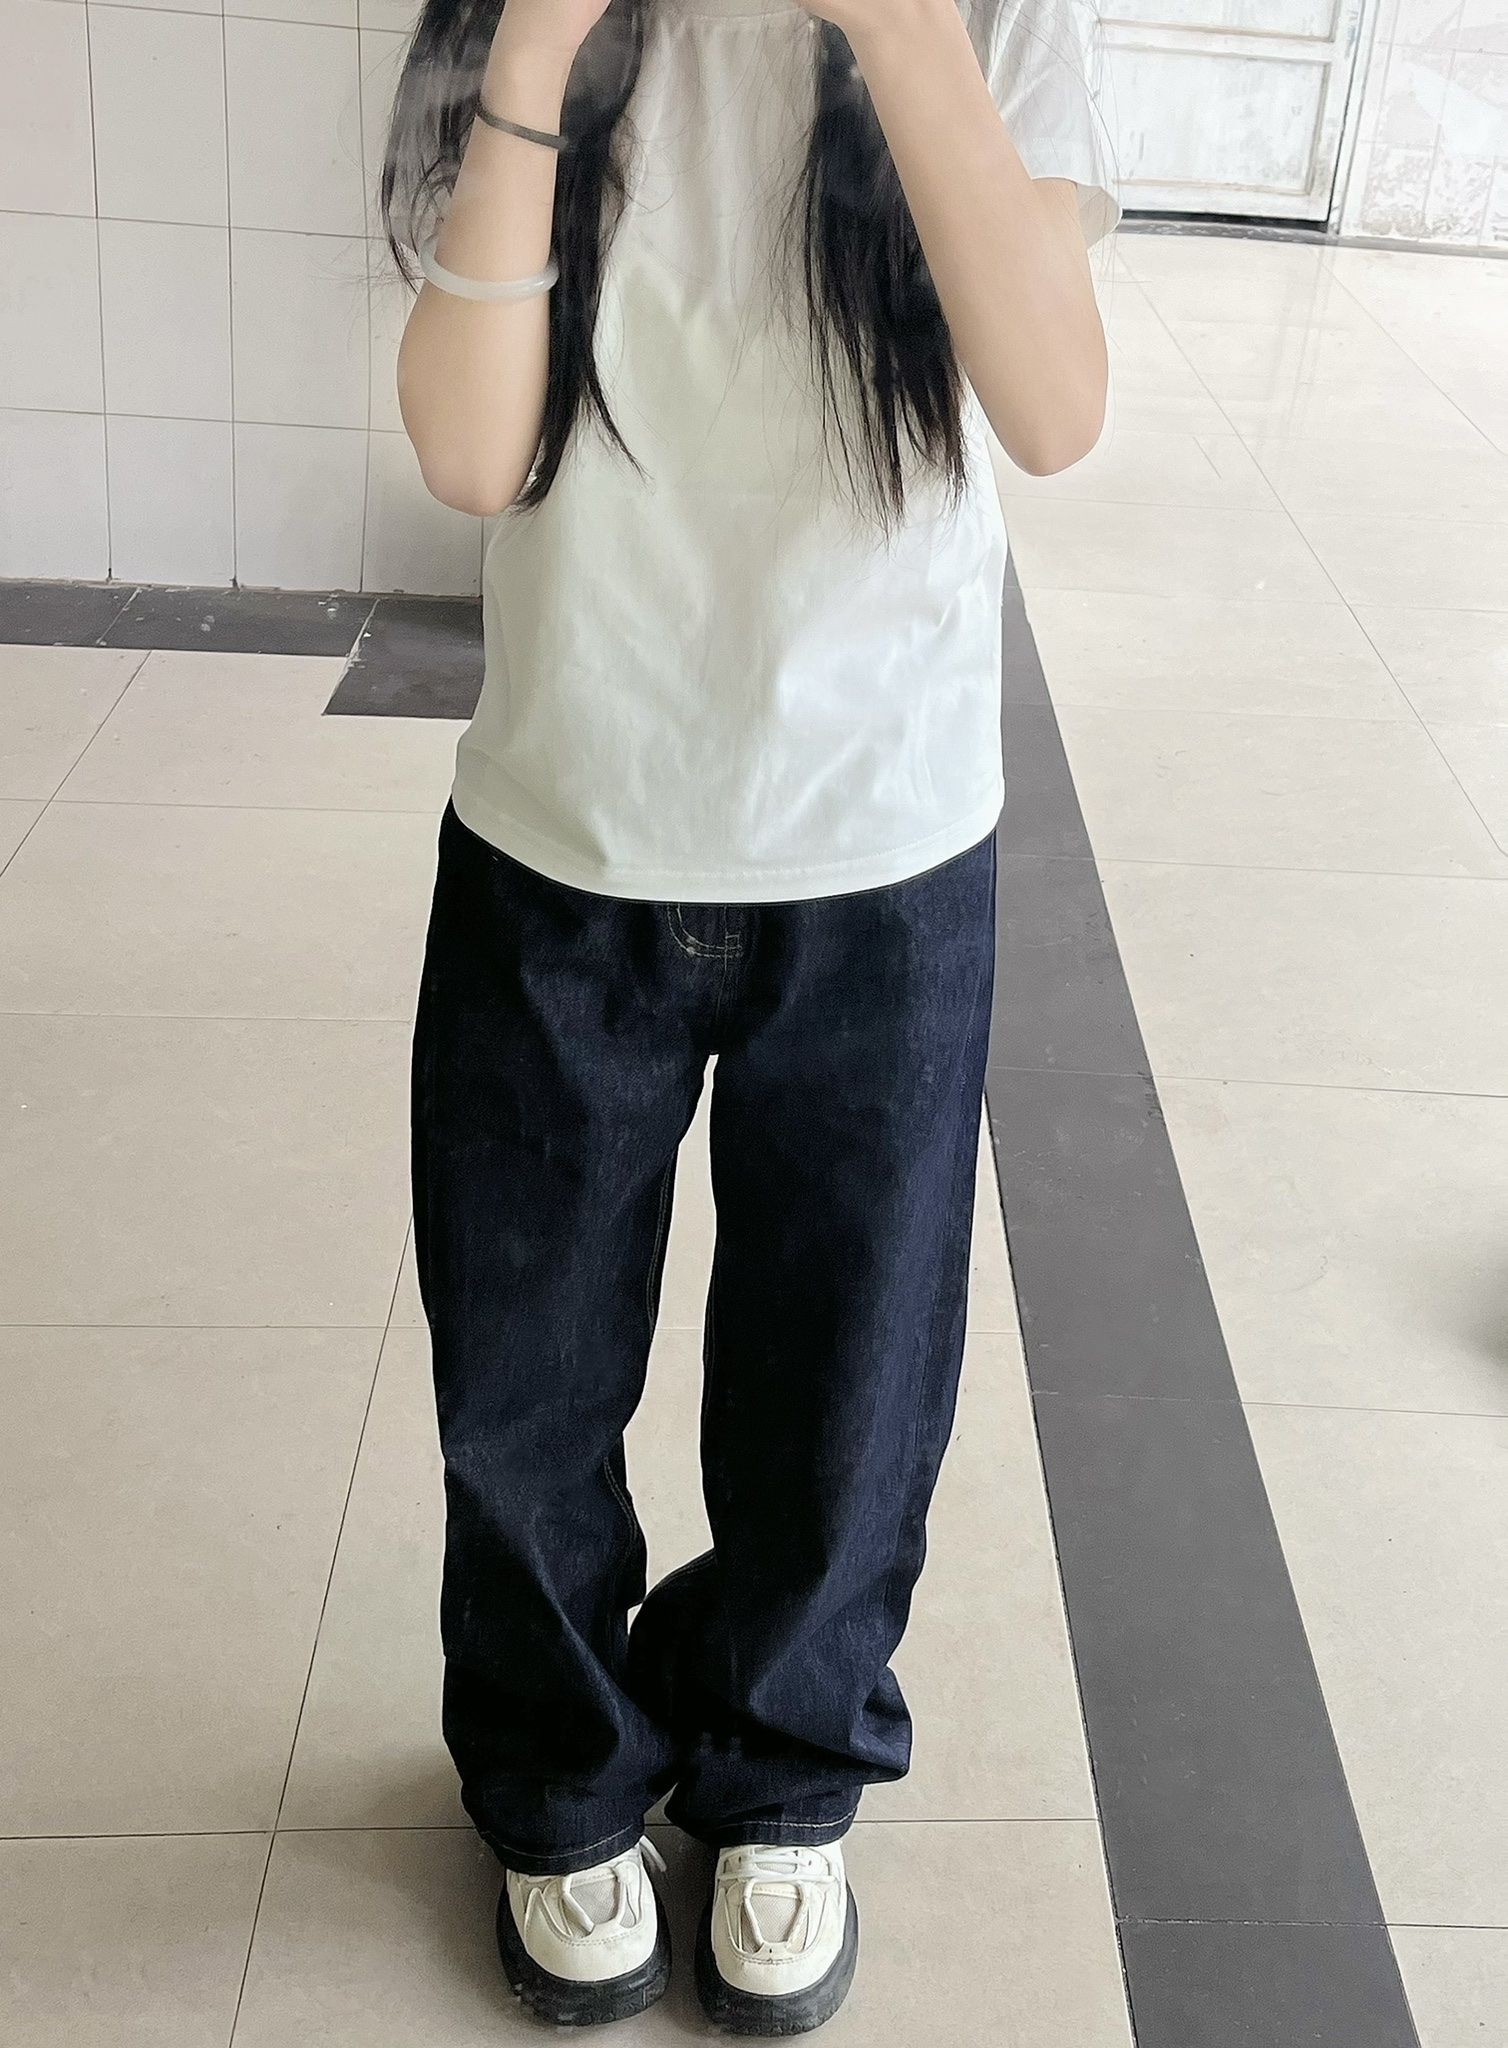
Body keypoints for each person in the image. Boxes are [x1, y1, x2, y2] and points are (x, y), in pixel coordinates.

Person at [386, 0, 1115, 2030]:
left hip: (881, 833)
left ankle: (783, 1770)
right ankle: (557, 1776)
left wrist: (891, 24)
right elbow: (466, 451)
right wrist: (538, 47)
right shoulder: (519, 20)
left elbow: (1054, 407)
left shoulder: (996, 13)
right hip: (570, 819)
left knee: (848, 1374)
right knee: (525, 1373)